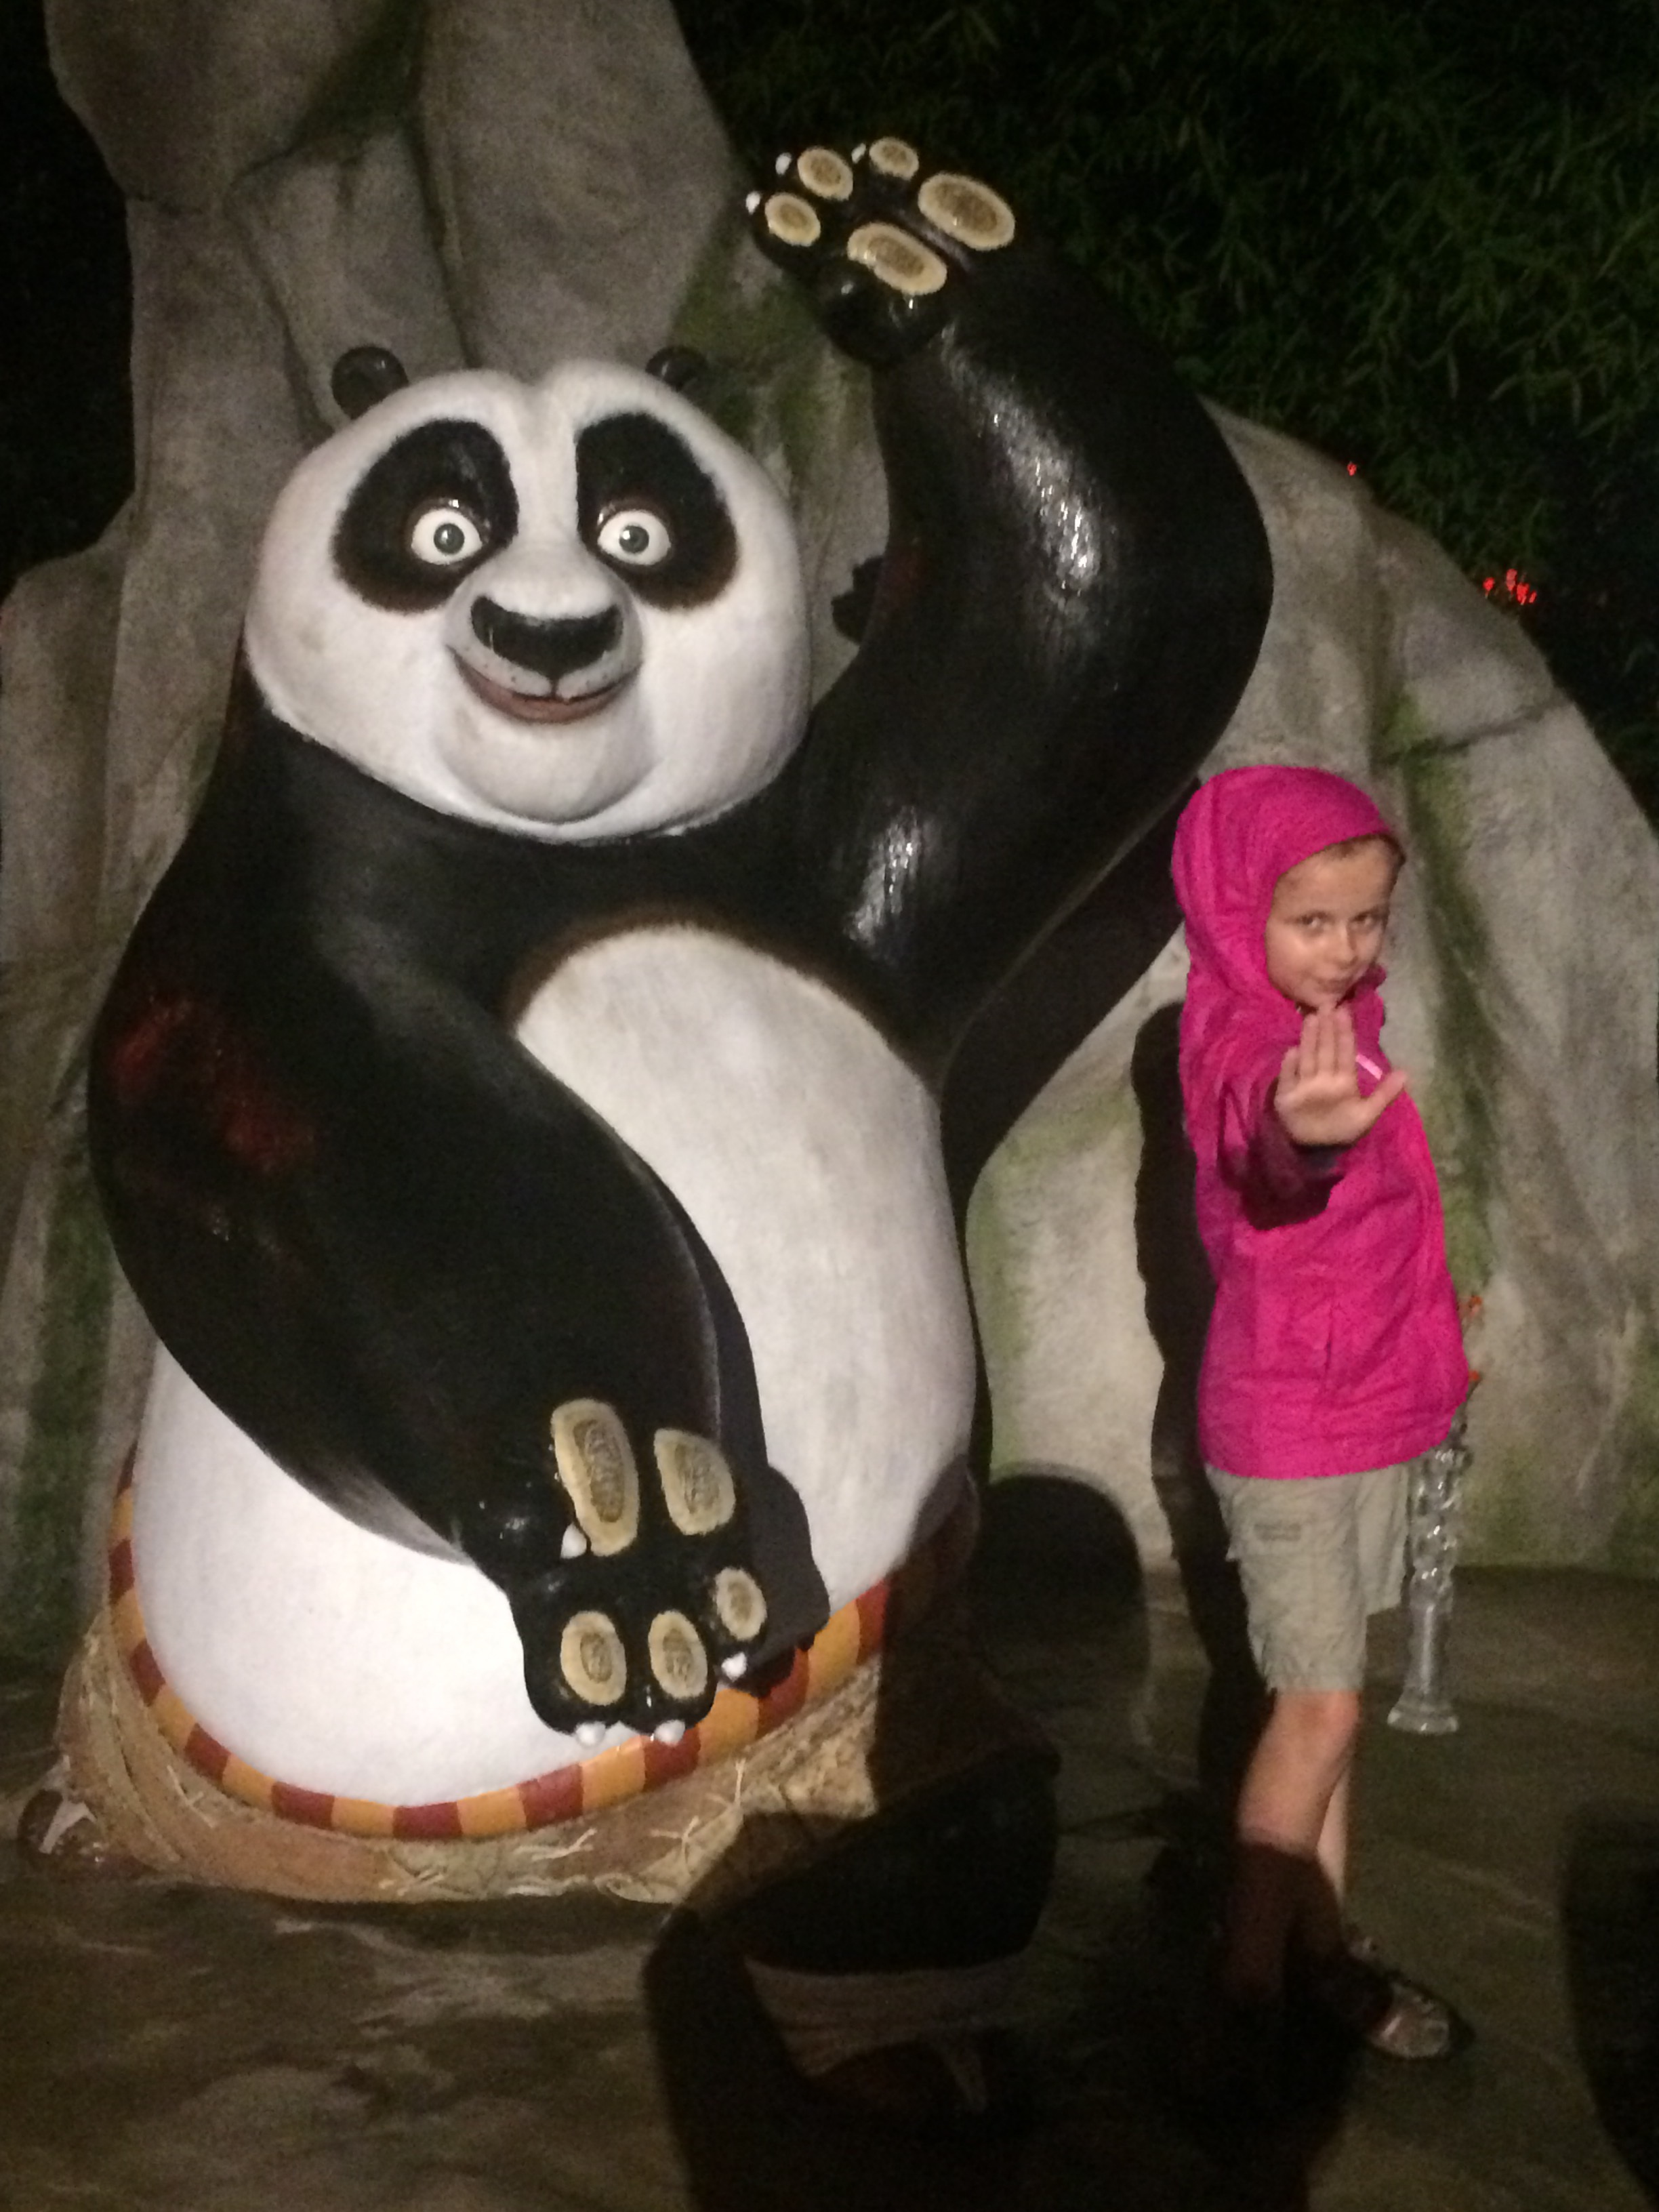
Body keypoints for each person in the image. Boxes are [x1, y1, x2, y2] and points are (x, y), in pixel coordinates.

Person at [1170, 763, 1471, 2094]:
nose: (1344, 948)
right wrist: (1309, 1139)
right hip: (1290, 1424)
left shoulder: (1348, 1022)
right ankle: (1244, 1987)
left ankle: (1322, 1950)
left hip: (1369, 1409)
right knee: (1322, 1709)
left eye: (1366, 919)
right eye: (1312, 922)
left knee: (1329, 1712)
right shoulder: (1245, 1039)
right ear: (1243, 913)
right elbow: (1261, 1139)